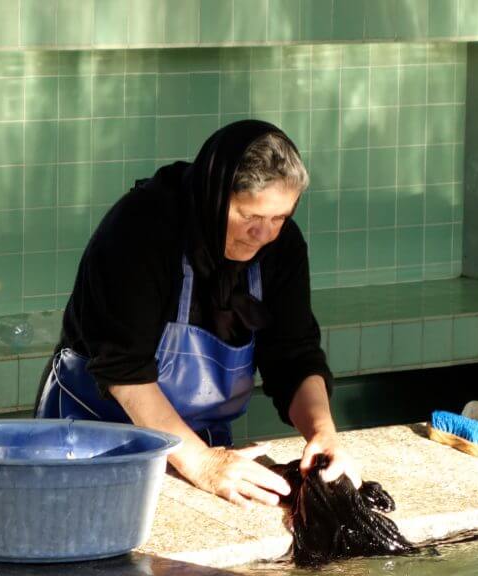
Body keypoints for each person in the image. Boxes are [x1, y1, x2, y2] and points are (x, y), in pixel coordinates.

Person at [36, 120, 361, 508]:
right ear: (216, 194)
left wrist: (322, 433)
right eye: (249, 216)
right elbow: (124, 371)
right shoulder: (140, 229)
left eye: (280, 218)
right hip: (90, 441)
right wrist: (202, 463)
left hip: (191, 446)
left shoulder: (281, 246)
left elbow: (294, 355)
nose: (264, 235)